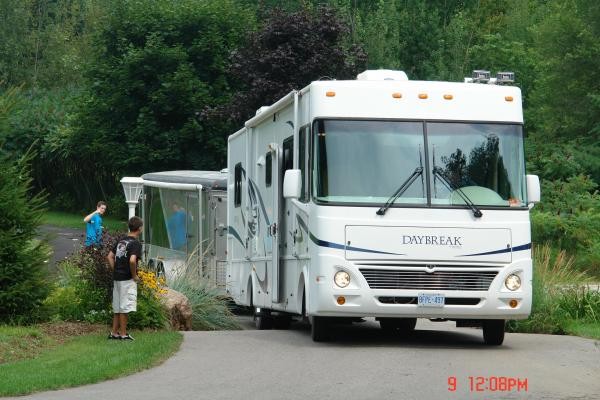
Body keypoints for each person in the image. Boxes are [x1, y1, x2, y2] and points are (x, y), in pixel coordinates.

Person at [106, 216, 143, 340]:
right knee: (124, 307)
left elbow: (109, 257)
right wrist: (134, 275)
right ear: (140, 228)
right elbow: (132, 260)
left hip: (117, 277)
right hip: (127, 279)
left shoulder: (121, 241)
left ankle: (114, 333)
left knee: (117, 307)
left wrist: (116, 270)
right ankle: (123, 334)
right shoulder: (136, 243)